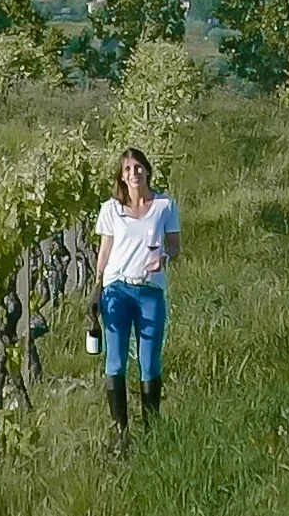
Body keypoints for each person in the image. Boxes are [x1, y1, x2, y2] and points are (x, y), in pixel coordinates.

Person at [92, 145, 180, 436]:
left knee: (149, 363)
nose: (134, 173)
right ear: (121, 175)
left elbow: (175, 246)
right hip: (117, 290)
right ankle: (120, 432)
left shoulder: (165, 206)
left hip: (149, 292)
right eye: (128, 169)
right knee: (114, 361)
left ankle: (151, 429)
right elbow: (104, 251)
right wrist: (96, 289)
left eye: (138, 167)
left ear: (147, 170)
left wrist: (164, 258)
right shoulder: (111, 209)